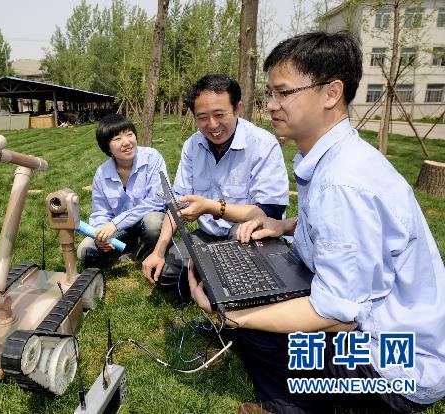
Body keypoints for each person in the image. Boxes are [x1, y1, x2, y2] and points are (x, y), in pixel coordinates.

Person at [187, 32, 445, 413]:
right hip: (389, 333)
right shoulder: (337, 159)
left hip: (394, 366)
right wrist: (283, 226)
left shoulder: (342, 184)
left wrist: (235, 316)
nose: (271, 105)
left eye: (283, 92)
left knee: (252, 324)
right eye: (270, 93)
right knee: (255, 302)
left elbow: (337, 316)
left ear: (331, 93)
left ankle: (292, 406)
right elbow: (331, 231)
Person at [141, 74, 289, 291]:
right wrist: (158, 251)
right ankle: (216, 272)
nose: (212, 125)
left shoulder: (262, 144)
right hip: (208, 235)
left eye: (220, 114)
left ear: (237, 108)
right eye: (202, 117)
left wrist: (210, 207)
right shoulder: (192, 145)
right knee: (165, 275)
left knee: (244, 259)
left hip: (247, 233)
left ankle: (220, 274)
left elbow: (270, 212)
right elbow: (177, 203)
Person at [77, 114, 167, 268]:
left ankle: (149, 252)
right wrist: (100, 236)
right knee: (85, 250)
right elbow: (100, 212)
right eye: (117, 139)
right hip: (122, 229)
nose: (126, 142)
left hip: (147, 220)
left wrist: (116, 223)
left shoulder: (152, 157)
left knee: (153, 223)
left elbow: (158, 200)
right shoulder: (102, 174)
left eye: (129, 134)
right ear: (107, 147)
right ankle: (133, 247)